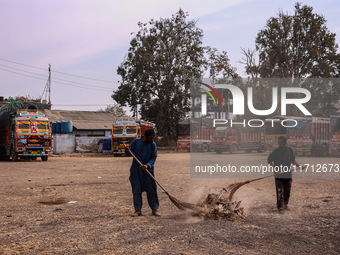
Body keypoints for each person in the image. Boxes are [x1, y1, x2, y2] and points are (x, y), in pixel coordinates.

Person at [126, 129, 160, 217]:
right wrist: (127, 150)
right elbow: (129, 152)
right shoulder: (136, 142)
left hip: (148, 171)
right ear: (145, 136)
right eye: (151, 139)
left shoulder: (153, 145)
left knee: (152, 190)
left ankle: (154, 209)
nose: (152, 141)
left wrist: (147, 165)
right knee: (136, 190)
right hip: (136, 171)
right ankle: (138, 210)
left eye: (153, 139)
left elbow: (154, 157)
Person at [267, 136, 302, 213]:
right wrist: (274, 169)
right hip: (278, 174)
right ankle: (280, 207)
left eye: (280, 142)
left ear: (284, 142)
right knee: (279, 191)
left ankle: (285, 205)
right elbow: (269, 161)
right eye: (278, 142)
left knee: (287, 191)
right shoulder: (275, 151)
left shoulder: (290, 150)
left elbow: (293, 160)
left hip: (288, 174)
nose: (279, 143)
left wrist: (299, 166)